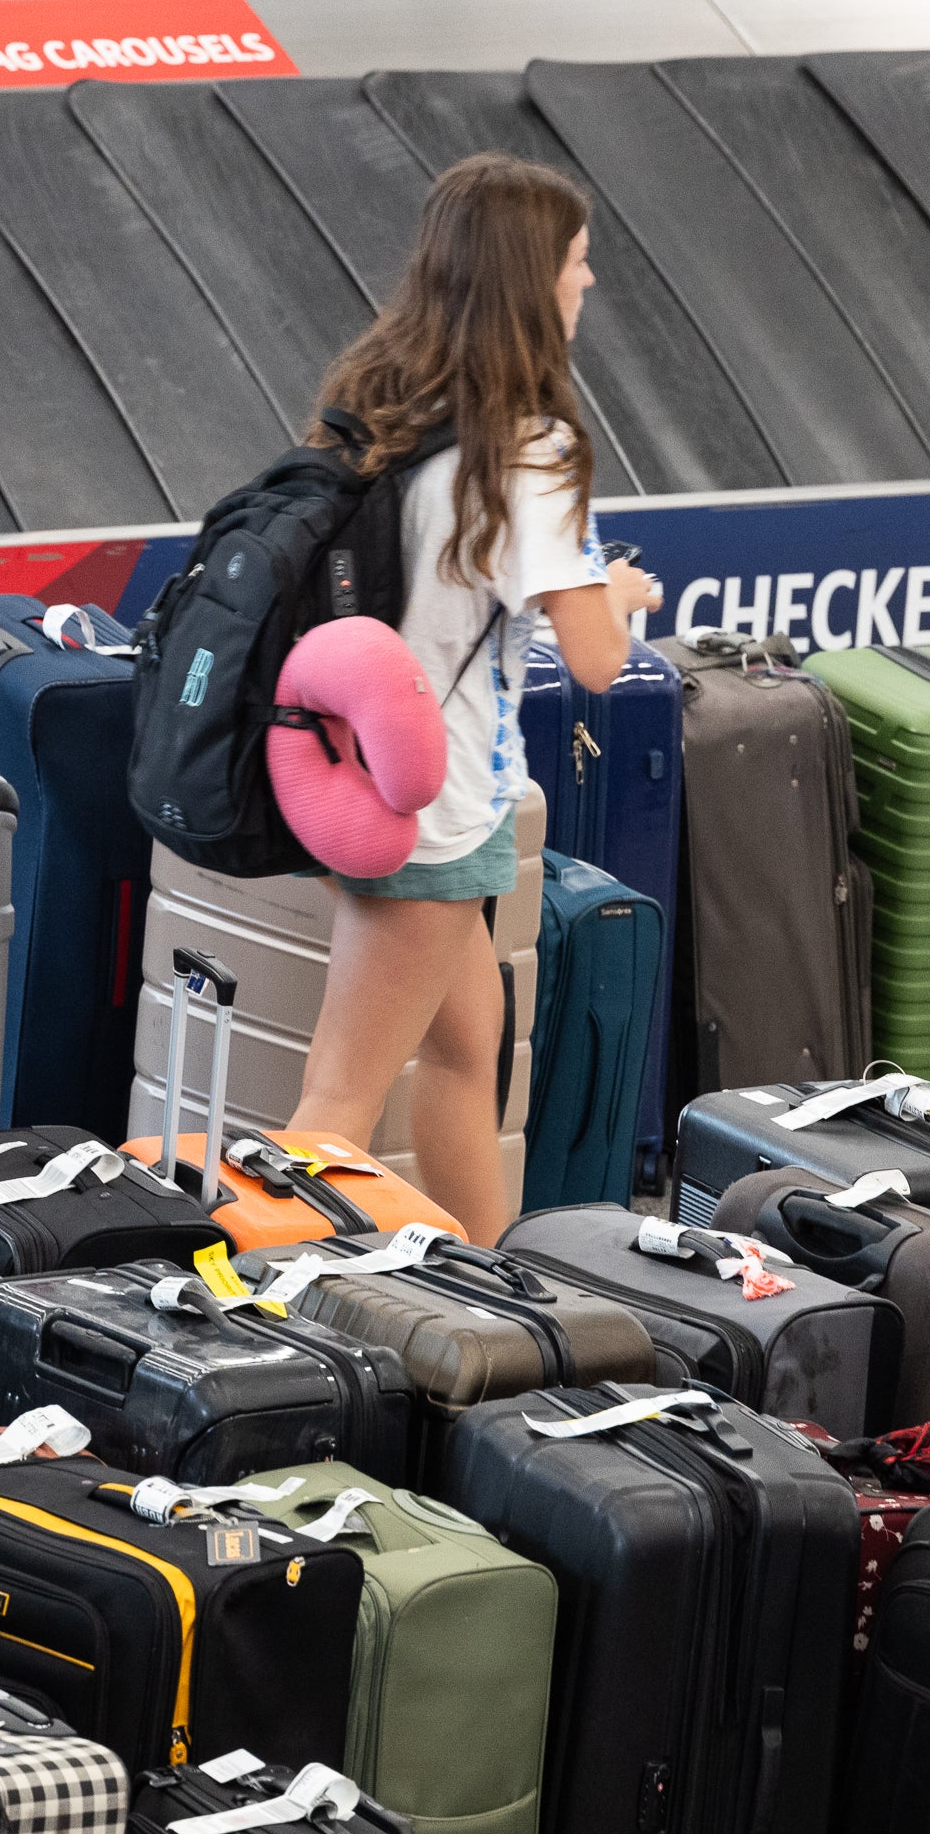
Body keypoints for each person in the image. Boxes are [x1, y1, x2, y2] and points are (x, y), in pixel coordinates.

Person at [282, 153, 664, 1242]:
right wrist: (617, 593)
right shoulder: (531, 451)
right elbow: (597, 661)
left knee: (465, 1049)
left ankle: (491, 1285)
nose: (588, 284)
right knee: (336, 1106)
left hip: (360, 771)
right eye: (579, 263)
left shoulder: (384, 405)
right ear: (530, 278)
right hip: (434, 813)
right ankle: (248, 1322)